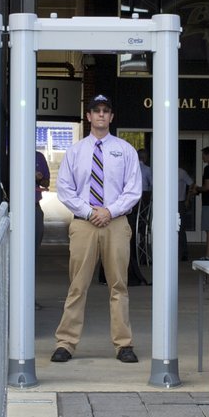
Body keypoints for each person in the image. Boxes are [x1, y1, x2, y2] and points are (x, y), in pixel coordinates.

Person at [50, 94, 141, 364]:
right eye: (96, 110)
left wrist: (109, 211)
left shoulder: (125, 150)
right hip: (84, 224)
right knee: (77, 285)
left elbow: (133, 189)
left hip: (115, 223)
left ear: (111, 117)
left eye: (106, 110)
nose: (101, 114)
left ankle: (123, 344)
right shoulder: (75, 151)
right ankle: (66, 342)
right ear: (88, 116)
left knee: (118, 286)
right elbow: (64, 189)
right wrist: (91, 212)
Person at [34, 150, 50, 252]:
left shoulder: (39, 156)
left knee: (36, 241)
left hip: (35, 206)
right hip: (12, 206)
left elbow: (46, 183)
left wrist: (39, 179)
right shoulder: (10, 154)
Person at [177, 164, 194, 259]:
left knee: (180, 228)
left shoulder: (181, 172)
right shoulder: (165, 171)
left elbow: (191, 184)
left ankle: (184, 253)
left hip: (179, 202)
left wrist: (187, 199)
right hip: (167, 203)